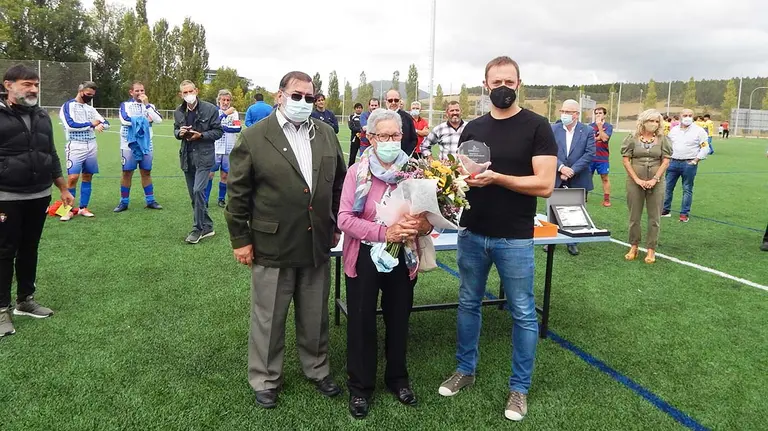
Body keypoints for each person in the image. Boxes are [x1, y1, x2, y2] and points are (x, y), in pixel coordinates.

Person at [437, 56, 557, 422]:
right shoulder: (473, 128)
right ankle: (465, 369)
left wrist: (499, 178)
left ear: (519, 84)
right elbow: (461, 173)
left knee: (522, 311)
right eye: (496, 82)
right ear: (485, 85)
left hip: (515, 237)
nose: (503, 87)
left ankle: (519, 389)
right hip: (473, 232)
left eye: (509, 81)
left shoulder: (537, 126)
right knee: (468, 303)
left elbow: (545, 184)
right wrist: (457, 181)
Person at [224, 70, 347, 409]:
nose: (303, 102)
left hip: (316, 241)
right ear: (279, 96)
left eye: (309, 97)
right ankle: (265, 378)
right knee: (269, 316)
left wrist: (335, 220)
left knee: (315, 314)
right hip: (272, 243)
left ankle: (317, 368)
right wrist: (240, 239)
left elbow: (339, 181)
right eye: (297, 96)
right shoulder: (254, 136)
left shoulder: (325, 134)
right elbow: (238, 194)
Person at [338, 108, 432, 419]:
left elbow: (430, 218)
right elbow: (344, 219)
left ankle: (398, 379)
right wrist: (383, 232)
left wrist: (422, 225)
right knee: (361, 321)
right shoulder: (357, 172)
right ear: (371, 137)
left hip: (403, 255)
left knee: (399, 318)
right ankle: (360, 387)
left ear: (403, 137)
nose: (390, 141)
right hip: (365, 255)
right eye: (383, 136)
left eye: (395, 135)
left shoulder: (416, 172)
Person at [0, 64, 75, 337]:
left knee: (29, 247)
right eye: (27, 84)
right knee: (4, 251)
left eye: (36, 85)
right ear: (8, 85)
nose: (33, 89)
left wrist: (63, 188)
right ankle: (1, 309)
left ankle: (25, 300)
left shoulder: (42, 116)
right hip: (6, 195)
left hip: (39, 194)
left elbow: (50, 154)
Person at [173, 80, 223, 244]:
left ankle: (198, 229)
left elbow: (218, 131)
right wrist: (180, 133)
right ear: (181, 94)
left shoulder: (210, 109)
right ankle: (208, 226)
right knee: (194, 196)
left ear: (197, 91)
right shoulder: (178, 112)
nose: (188, 95)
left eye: (190, 91)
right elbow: (175, 129)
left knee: (198, 190)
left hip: (204, 156)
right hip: (187, 157)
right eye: (185, 92)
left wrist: (201, 135)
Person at [620, 109, 672, 264]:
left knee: (654, 217)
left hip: (656, 182)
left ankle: (651, 248)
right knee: (634, 216)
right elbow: (626, 160)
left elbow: (666, 161)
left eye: (656, 121)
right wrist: (636, 179)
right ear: (643, 121)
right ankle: (634, 245)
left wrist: (655, 179)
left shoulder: (663, 139)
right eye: (651, 121)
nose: (654, 124)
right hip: (634, 182)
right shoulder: (632, 138)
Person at [58, 81, 109, 221]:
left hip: (91, 145)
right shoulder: (68, 106)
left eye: (92, 95)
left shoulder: (90, 109)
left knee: (87, 176)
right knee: (73, 178)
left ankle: (83, 208)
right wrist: (91, 124)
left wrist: (99, 125)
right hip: (75, 145)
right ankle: (67, 210)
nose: (90, 97)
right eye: (88, 94)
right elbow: (70, 125)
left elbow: (106, 123)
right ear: (80, 91)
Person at [552, 99, 596, 256]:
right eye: (562, 111)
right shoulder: (553, 129)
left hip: (579, 177)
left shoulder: (587, 131)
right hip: (557, 175)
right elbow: (548, 151)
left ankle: (572, 242)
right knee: (554, 209)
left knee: (576, 210)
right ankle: (551, 241)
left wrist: (572, 170)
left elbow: (590, 153)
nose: (564, 114)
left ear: (576, 114)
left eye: (568, 112)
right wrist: (561, 168)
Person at [114, 81, 163, 212]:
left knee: (146, 172)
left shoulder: (150, 106)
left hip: (146, 144)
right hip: (129, 144)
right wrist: (146, 120)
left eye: (142, 90)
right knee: (127, 173)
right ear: (131, 92)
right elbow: (125, 120)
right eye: (137, 91)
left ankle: (150, 201)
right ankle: (124, 202)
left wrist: (147, 105)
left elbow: (159, 119)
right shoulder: (125, 105)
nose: (140, 93)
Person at [662, 109, 709, 222]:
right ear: (680, 116)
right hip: (673, 162)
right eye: (685, 115)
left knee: (687, 189)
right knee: (667, 187)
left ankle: (684, 213)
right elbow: (668, 145)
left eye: (690, 115)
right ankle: (665, 209)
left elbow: (705, 147)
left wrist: (696, 160)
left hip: (688, 163)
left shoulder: (699, 131)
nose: (687, 117)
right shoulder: (674, 130)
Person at [205, 89, 241, 208]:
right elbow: (212, 125)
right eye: (223, 100)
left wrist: (223, 127)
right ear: (219, 100)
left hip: (229, 149)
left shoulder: (234, 113)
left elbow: (237, 128)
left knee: (225, 175)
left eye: (228, 100)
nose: (225, 102)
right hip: (215, 148)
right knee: (210, 174)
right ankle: (205, 199)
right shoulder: (214, 111)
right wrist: (224, 115)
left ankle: (221, 199)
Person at [589, 106, 614, 207]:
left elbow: (604, 139)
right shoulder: (590, 127)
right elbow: (590, 139)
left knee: (605, 178)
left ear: (604, 115)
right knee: (587, 177)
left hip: (602, 157)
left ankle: (606, 200)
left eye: (600, 113)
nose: (598, 115)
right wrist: (598, 137)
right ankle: (583, 197)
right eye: (596, 113)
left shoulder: (609, 126)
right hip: (590, 156)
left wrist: (599, 126)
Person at [384, 89, 417, 155]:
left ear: (399, 101)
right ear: (386, 101)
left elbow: (414, 139)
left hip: (403, 156)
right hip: (383, 156)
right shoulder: (380, 117)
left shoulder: (408, 118)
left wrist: (406, 155)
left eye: (396, 100)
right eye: (390, 100)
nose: (393, 102)